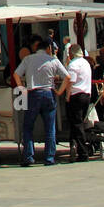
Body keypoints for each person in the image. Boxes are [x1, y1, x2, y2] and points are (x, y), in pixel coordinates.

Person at [13, 35, 70, 166]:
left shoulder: (28, 59)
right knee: (50, 128)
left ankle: (29, 157)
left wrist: (22, 88)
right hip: (49, 93)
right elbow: (67, 76)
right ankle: (49, 158)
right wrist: (59, 91)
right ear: (48, 48)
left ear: (36, 48)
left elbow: (16, 74)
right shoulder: (52, 60)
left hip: (33, 94)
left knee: (28, 127)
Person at [62, 43, 93, 162]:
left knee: (77, 124)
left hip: (76, 96)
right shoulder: (85, 63)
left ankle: (82, 152)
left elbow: (71, 81)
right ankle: (80, 148)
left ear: (71, 53)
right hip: (86, 94)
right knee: (79, 123)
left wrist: (67, 96)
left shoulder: (73, 65)